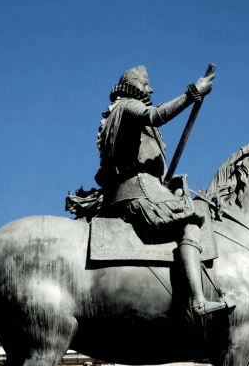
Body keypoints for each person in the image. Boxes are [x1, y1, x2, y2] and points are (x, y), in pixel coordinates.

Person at [95, 65, 228, 321]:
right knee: (190, 225)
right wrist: (193, 93)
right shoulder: (127, 106)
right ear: (132, 86)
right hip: (139, 188)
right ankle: (198, 301)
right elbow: (155, 116)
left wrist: (167, 183)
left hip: (150, 186)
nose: (151, 89)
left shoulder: (129, 113)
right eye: (145, 84)